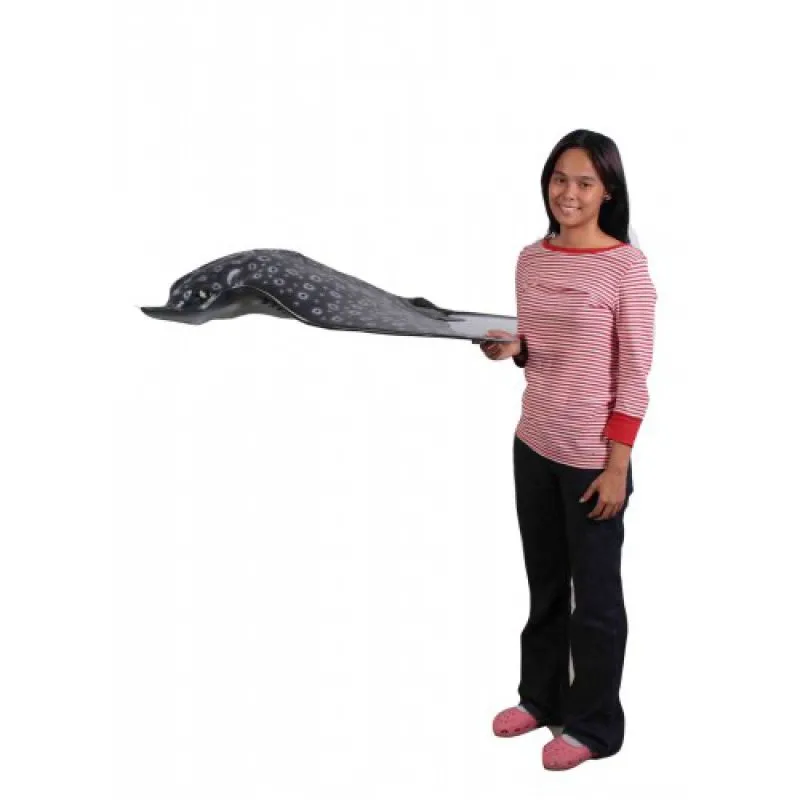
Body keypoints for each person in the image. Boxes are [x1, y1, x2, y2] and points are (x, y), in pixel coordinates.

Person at [478, 129, 656, 771]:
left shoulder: (626, 267)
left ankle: (594, 727)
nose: (568, 192)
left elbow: (633, 373)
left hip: (592, 460)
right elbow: (540, 345)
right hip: (534, 443)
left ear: (607, 191)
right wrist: (513, 348)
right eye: (559, 178)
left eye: (584, 181)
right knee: (546, 584)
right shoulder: (531, 259)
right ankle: (541, 697)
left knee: (597, 602)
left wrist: (616, 466)